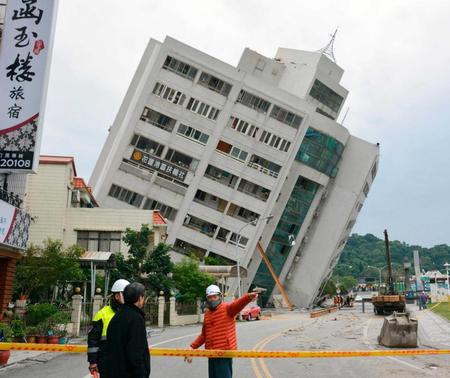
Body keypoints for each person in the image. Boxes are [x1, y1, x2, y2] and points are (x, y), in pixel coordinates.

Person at [185, 284, 259, 378]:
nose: (212, 299)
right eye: (210, 297)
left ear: (219, 297)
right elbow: (204, 335)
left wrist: (248, 297)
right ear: (207, 299)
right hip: (211, 353)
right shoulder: (207, 314)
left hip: (224, 353)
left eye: (215, 296)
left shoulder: (227, 309)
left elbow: (237, 304)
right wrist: (192, 347)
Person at [104, 282, 150, 378]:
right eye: (143, 297)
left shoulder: (117, 316)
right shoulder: (136, 319)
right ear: (140, 298)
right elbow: (136, 352)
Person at [88, 278, 130, 376]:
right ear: (116, 296)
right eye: (126, 294)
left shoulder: (131, 314)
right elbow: (93, 340)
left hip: (126, 362)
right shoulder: (102, 314)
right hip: (107, 362)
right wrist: (93, 361)